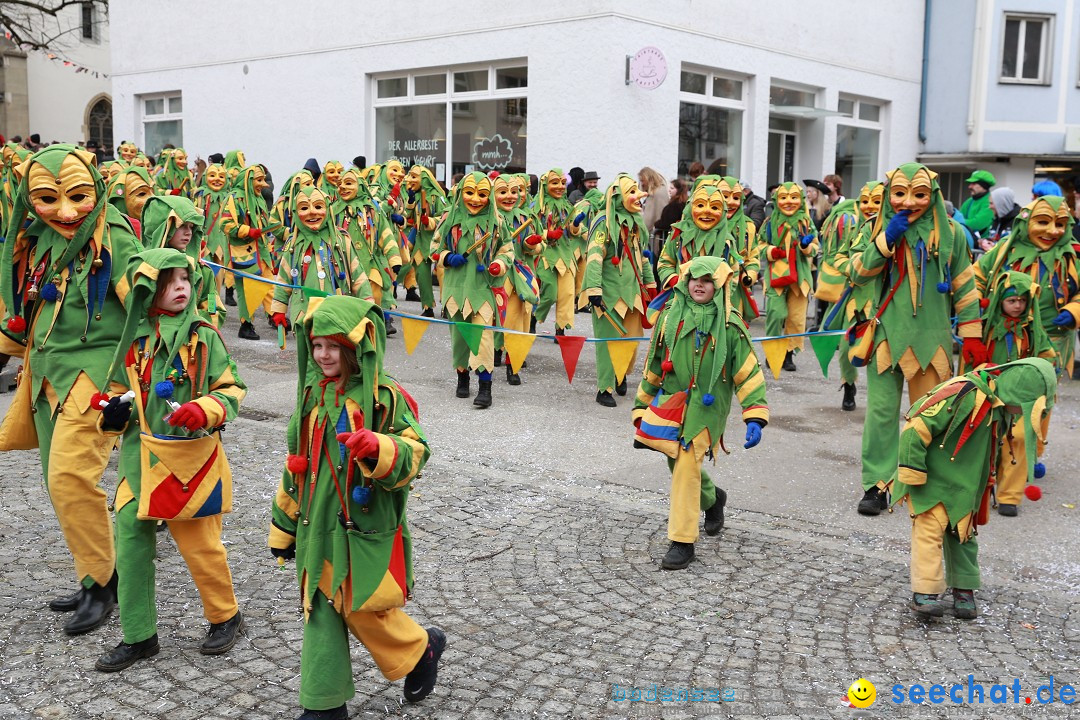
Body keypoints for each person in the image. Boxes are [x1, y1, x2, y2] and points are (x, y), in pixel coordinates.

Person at [269, 295, 445, 719]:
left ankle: (421, 647)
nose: (323, 355)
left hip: (361, 524)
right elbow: (298, 465)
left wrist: (379, 447)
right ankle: (324, 706)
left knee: (362, 608)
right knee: (321, 609)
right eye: (316, 346)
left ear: (353, 347)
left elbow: (417, 452)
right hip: (316, 525)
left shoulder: (385, 397)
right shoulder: (311, 396)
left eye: (333, 346)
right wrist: (284, 526)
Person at [0, 144, 143, 635]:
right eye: (46, 198)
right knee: (57, 483)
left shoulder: (115, 238)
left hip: (97, 378)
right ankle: (93, 574)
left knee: (68, 476)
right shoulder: (36, 236)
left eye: (78, 196)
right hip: (43, 376)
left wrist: (135, 390)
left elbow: (147, 311)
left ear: (97, 189)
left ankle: (104, 585)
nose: (64, 211)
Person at [93, 248, 245, 671]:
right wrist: (112, 415)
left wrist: (206, 408)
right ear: (146, 290)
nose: (180, 287)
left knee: (200, 547)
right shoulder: (134, 340)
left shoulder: (204, 335)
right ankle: (139, 636)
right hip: (138, 461)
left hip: (188, 461)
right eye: (168, 281)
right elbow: (113, 394)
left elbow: (231, 388)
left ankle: (225, 615)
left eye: (184, 279)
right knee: (131, 547)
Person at [849, 163, 984, 516]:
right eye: (900, 193)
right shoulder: (874, 227)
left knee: (931, 415)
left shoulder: (952, 233)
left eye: (919, 194)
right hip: (885, 339)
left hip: (933, 341)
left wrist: (972, 335)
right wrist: (885, 240)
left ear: (933, 195)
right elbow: (857, 274)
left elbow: (966, 286)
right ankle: (878, 485)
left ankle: (924, 478)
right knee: (880, 414)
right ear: (889, 193)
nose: (909, 201)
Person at [633, 256, 769, 570]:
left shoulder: (731, 326)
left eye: (707, 280)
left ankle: (682, 541)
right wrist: (641, 404)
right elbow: (654, 365)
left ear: (719, 285)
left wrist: (755, 415)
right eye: (694, 279)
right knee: (678, 462)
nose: (699, 284)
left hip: (707, 409)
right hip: (671, 403)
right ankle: (713, 498)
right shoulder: (670, 318)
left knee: (684, 466)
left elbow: (748, 374)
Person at [893, 358, 1055, 618]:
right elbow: (916, 426)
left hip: (967, 485)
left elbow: (994, 450)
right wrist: (913, 471)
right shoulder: (964, 393)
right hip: (932, 479)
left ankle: (964, 587)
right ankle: (925, 591)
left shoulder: (1001, 408)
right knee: (929, 534)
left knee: (964, 536)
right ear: (1015, 391)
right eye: (1023, 406)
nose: (1022, 413)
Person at [431, 171, 513, 407]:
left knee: (483, 337)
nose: (475, 199)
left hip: (483, 289)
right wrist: (447, 257)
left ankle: (485, 387)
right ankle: (462, 377)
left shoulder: (497, 222)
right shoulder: (449, 220)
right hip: (456, 290)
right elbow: (434, 246)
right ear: (460, 193)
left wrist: (498, 265)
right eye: (469, 193)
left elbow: (507, 250)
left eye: (482, 194)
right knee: (459, 338)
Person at [583, 173, 657, 407]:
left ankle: (620, 374)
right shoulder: (603, 224)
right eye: (632, 192)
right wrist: (593, 289)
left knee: (631, 342)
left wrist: (651, 285)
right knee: (607, 345)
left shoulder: (636, 223)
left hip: (633, 295)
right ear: (617, 197)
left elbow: (641, 257)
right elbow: (594, 257)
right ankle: (603, 388)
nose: (638, 196)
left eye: (637, 191)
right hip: (608, 296)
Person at [816, 181, 883, 411]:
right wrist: (853, 267)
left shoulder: (893, 229)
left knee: (879, 350)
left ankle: (881, 397)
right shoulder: (851, 226)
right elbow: (837, 256)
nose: (870, 206)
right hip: (855, 297)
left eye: (876, 201)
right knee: (847, 348)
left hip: (883, 299)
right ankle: (849, 385)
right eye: (865, 201)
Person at [270, 186, 373, 330]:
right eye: (304, 208)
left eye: (318, 206)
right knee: (307, 350)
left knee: (334, 350)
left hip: (338, 312)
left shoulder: (341, 240)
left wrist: (367, 304)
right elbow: (284, 278)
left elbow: (358, 274)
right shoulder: (293, 243)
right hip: (303, 314)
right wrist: (279, 309)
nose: (312, 212)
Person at [761, 182, 819, 372]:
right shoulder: (770, 222)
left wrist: (806, 246)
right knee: (776, 314)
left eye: (793, 197)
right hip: (776, 278)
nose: (788, 202)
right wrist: (771, 251)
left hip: (799, 278)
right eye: (783, 197)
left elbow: (815, 248)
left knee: (796, 319)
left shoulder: (806, 223)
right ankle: (772, 351)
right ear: (776, 200)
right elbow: (758, 246)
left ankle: (788, 355)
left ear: (800, 200)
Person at [221, 164, 275, 340]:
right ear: (248, 181)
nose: (264, 185)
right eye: (259, 180)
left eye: (264, 180)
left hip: (262, 251)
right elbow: (225, 224)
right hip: (243, 252)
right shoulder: (234, 198)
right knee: (246, 291)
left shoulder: (259, 198)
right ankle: (245, 325)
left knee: (270, 283)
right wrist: (247, 231)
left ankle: (274, 315)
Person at [531, 168, 577, 335]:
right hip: (544, 253)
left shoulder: (567, 206)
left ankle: (560, 330)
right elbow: (530, 230)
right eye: (555, 183)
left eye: (563, 183)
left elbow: (573, 231)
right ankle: (534, 317)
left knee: (567, 294)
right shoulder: (537, 205)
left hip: (564, 254)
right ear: (545, 184)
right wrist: (547, 234)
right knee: (549, 292)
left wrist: (576, 225)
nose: (560, 187)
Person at [401, 165, 448, 317]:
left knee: (444, 276)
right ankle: (428, 307)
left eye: (414, 176)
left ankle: (447, 306)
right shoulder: (415, 195)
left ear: (424, 179)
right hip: (421, 242)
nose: (409, 179)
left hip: (438, 242)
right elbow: (408, 217)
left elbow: (445, 217)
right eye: (409, 176)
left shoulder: (437, 197)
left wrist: (430, 221)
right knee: (421, 275)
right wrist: (410, 201)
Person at [959, 170, 996, 238]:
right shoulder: (969, 201)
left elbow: (977, 224)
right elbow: (959, 217)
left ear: (984, 186)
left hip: (984, 246)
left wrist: (957, 222)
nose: (969, 187)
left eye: (974, 184)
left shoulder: (990, 202)